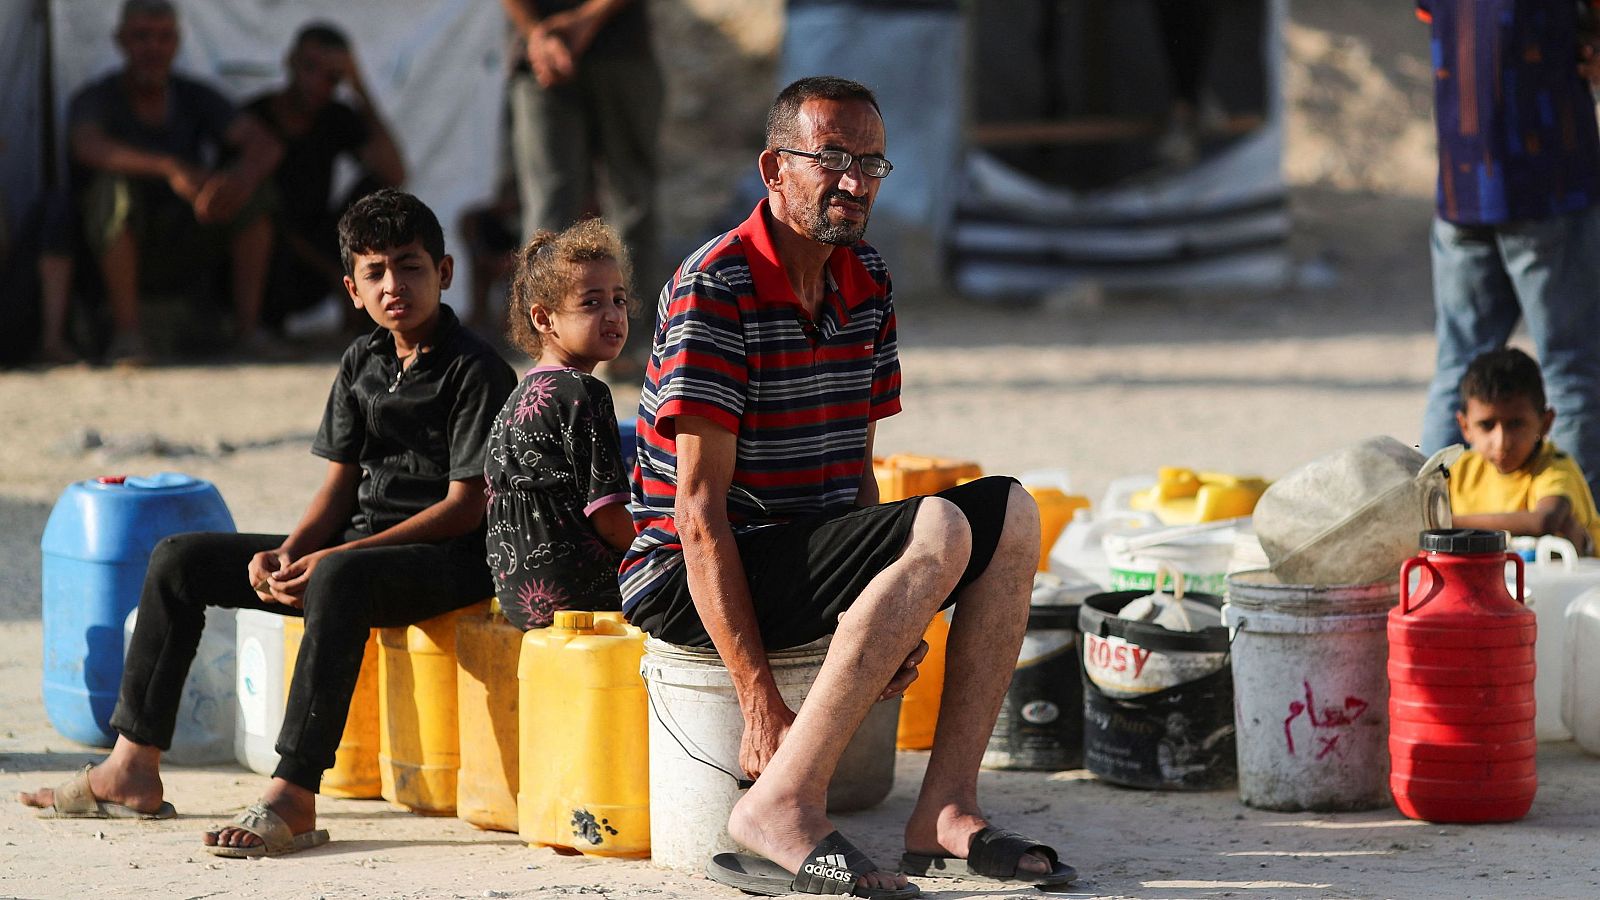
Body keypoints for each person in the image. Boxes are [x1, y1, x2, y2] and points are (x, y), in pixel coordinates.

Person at [622, 76, 1077, 897]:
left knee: (1009, 511)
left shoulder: (865, 277)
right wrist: (757, 696)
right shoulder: (714, 285)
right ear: (773, 167)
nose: (853, 182)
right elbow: (694, 515)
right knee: (938, 524)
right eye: (830, 158)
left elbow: (855, 475)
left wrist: (895, 608)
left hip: (806, 549)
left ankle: (945, 809)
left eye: (871, 163)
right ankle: (779, 804)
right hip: (688, 573)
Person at [16, 189, 517, 858]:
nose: (395, 284)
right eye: (376, 272)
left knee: (339, 573)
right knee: (179, 560)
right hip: (358, 553)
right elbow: (339, 487)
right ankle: (131, 766)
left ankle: (293, 794)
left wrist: (337, 556)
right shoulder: (361, 362)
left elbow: (465, 506)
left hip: (448, 560)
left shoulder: (476, 369)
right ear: (352, 288)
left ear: (445, 272)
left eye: (411, 265)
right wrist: (287, 552)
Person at [1417, 0, 1600, 504]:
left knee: (1457, 367)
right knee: (1571, 367)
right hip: (1549, 178)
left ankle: (1425, 524)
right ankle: (1573, 529)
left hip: (1462, 179)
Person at [64, 0, 282, 364]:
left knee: (257, 194)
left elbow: (265, 144)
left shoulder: (193, 95)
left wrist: (236, 181)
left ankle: (249, 330)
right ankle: (128, 335)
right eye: (142, 37)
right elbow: (86, 146)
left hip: (187, 236)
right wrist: (168, 167)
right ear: (121, 41)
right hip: (118, 246)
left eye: (163, 38)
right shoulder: (98, 98)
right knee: (110, 192)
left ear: (177, 42)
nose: (153, 47)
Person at [485, 219, 636, 630]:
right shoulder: (582, 393)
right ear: (543, 319)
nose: (612, 314)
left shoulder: (516, 400)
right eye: (591, 303)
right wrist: (664, 548)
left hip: (519, 599)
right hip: (580, 594)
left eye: (619, 300)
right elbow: (609, 518)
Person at [497, 0, 663, 374]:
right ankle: (549, 345)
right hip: (541, 56)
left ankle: (629, 346)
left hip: (619, 47)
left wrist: (582, 22)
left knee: (630, 201)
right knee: (548, 208)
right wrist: (538, 34)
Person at [246, 22, 406, 336]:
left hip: (315, 256)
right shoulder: (256, 117)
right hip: (265, 260)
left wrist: (359, 86)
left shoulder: (335, 117)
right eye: (310, 68)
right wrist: (335, 272)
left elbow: (394, 173)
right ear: (290, 61)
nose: (317, 83)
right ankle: (249, 328)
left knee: (379, 196)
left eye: (331, 77)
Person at [1448, 348, 1600, 554]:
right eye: (1486, 425)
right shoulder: (1460, 470)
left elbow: (1544, 521)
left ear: (1545, 423)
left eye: (1516, 424)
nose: (1501, 442)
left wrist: (1447, 525)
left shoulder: (1555, 468)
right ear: (1465, 427)